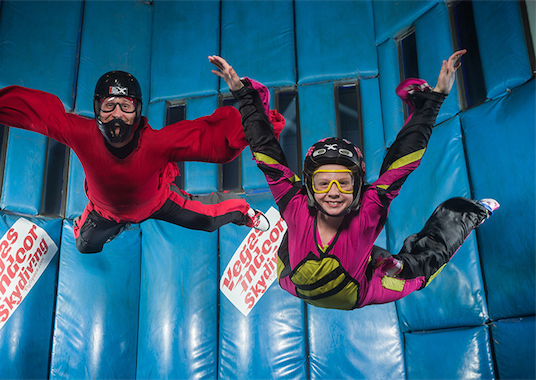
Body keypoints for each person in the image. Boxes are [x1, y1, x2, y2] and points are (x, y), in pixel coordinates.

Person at [210, 51, 500, 310]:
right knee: (395, 266)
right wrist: (243, 95)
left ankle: (468, 213)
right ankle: (381, 259)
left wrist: (434, 102)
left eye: (344, 183)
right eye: (323, 184)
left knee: (417, 268)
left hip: (348, 287)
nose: (334, 193)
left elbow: (403, 161)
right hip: (293, 278)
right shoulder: (296, 204)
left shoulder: (368, 208)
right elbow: (265, 152)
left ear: (359, 186)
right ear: (309, 187)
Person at [0, 70, 285, 253]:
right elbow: (21, 107)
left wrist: (255, 111)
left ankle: (245, 215)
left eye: (126, 108)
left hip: (159, 202)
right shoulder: (79, 132)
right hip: (107, 212)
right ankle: (106, 223)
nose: (117, 117)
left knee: (208, 222)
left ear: (138, 111)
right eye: (108, 107)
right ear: (96, 110)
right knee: (84, 246)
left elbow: (216, 138)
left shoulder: (158, 143)